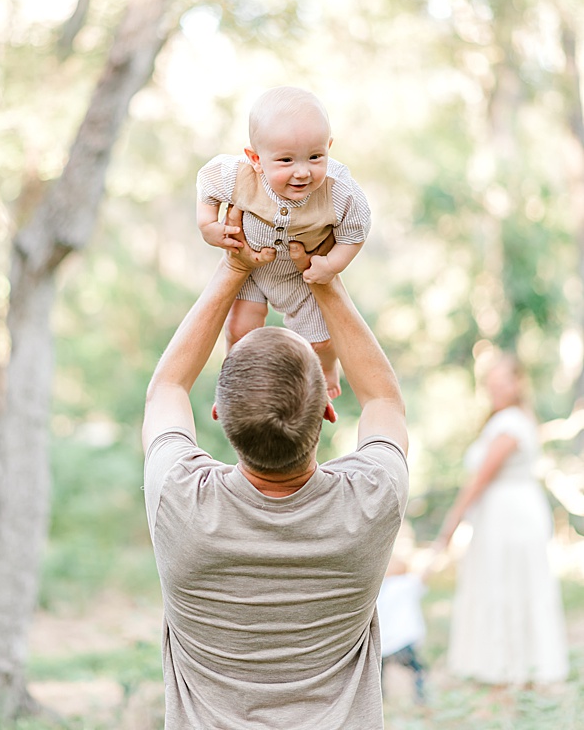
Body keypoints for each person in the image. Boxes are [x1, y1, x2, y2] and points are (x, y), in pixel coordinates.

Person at [143, 209, 408, 728]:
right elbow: (383, 400)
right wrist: (322, 278)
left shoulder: (180, 499)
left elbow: (167, 389)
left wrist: (234, 269)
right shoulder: (371, 500)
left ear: (219, 415)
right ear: (328, 413)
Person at [196, 86, 371, 397]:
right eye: (286, 161)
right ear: (256, 158)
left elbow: (355, 230)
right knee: (240, 331)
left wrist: (331, 265)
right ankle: (236, 387)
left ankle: (327, 368)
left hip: (298, 275)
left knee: (320, 341)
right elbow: (206, 183)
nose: (303, 172)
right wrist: (208, 225)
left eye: (316, 157)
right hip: (249, 269)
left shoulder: (339, 190)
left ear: (329, 148)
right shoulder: (237, 175)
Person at [431, 351, 568, 685]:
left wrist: (450, 525)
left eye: (501, 378)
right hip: (506, 513)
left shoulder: (510, 424)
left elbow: (480, 478)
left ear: (517, 382)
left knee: (509, 584)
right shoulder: (512, 419)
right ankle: (508, 665)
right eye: (491, 379)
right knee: (505, 583)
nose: (494, 385)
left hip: (510, 517)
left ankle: (512, 669)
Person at [376, 544, 429, 705]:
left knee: (379, 674)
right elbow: (425, 574)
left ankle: (380, 698)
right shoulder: (408, 583)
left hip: (383, 643)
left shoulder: (379, 589)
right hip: (404, 641)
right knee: (417, 670)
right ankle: (420, 698)